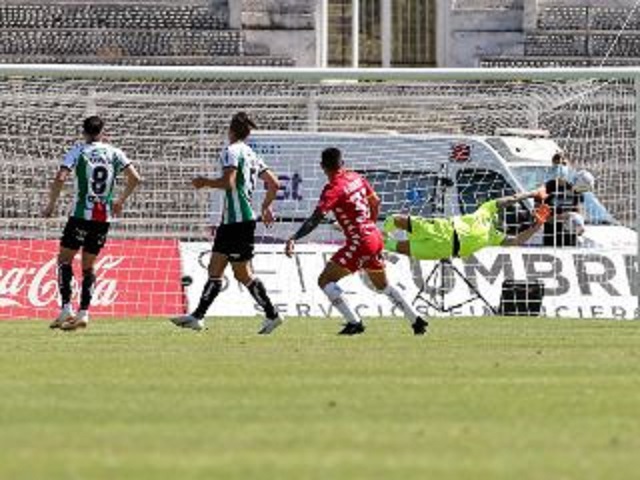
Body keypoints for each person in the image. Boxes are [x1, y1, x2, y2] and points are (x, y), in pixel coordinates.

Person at [285, 147, 428, 336]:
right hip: (374, 237)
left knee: (325, 280)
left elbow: (316, 218)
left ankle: (354, 322)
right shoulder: (356, 177)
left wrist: (294, 237)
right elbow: (375, 202)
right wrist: (369, 223)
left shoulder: (332, 189)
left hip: (359, 242)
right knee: (383, 286)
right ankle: (416, 321)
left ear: (322, 167)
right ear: (342, 164)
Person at [170, 112, 283, 334]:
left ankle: (271, 314)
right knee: (224, 270)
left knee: (235, 273)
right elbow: (274, 183)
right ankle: (198, 316)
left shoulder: (231, 151)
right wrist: (266, 206)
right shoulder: (251, 154)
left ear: (230, 130)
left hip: (236, 222)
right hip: (240, 220)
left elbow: (228, 183)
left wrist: (204, 182)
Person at [43, 115, 141, 330]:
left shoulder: (78, 151)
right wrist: (120, 201)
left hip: (80, 216)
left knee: (64, 260)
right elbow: (136, 178)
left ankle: (66, 307)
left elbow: (60, 177)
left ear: (84, 132)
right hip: (101, 219)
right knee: (89, 267)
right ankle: (84, 312)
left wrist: (51, 204)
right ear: (103, 132)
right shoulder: (115, 152)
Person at [383, 190, 551, 261]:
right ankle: (376, 234)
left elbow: (517, 241)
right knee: (396, 220)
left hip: (444, 249)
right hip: (442, 230)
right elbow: (512, 199)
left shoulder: (495, 236)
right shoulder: (486, 212)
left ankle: (376, 242)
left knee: (394, 246)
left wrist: (536, 226)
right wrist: (532, 193)